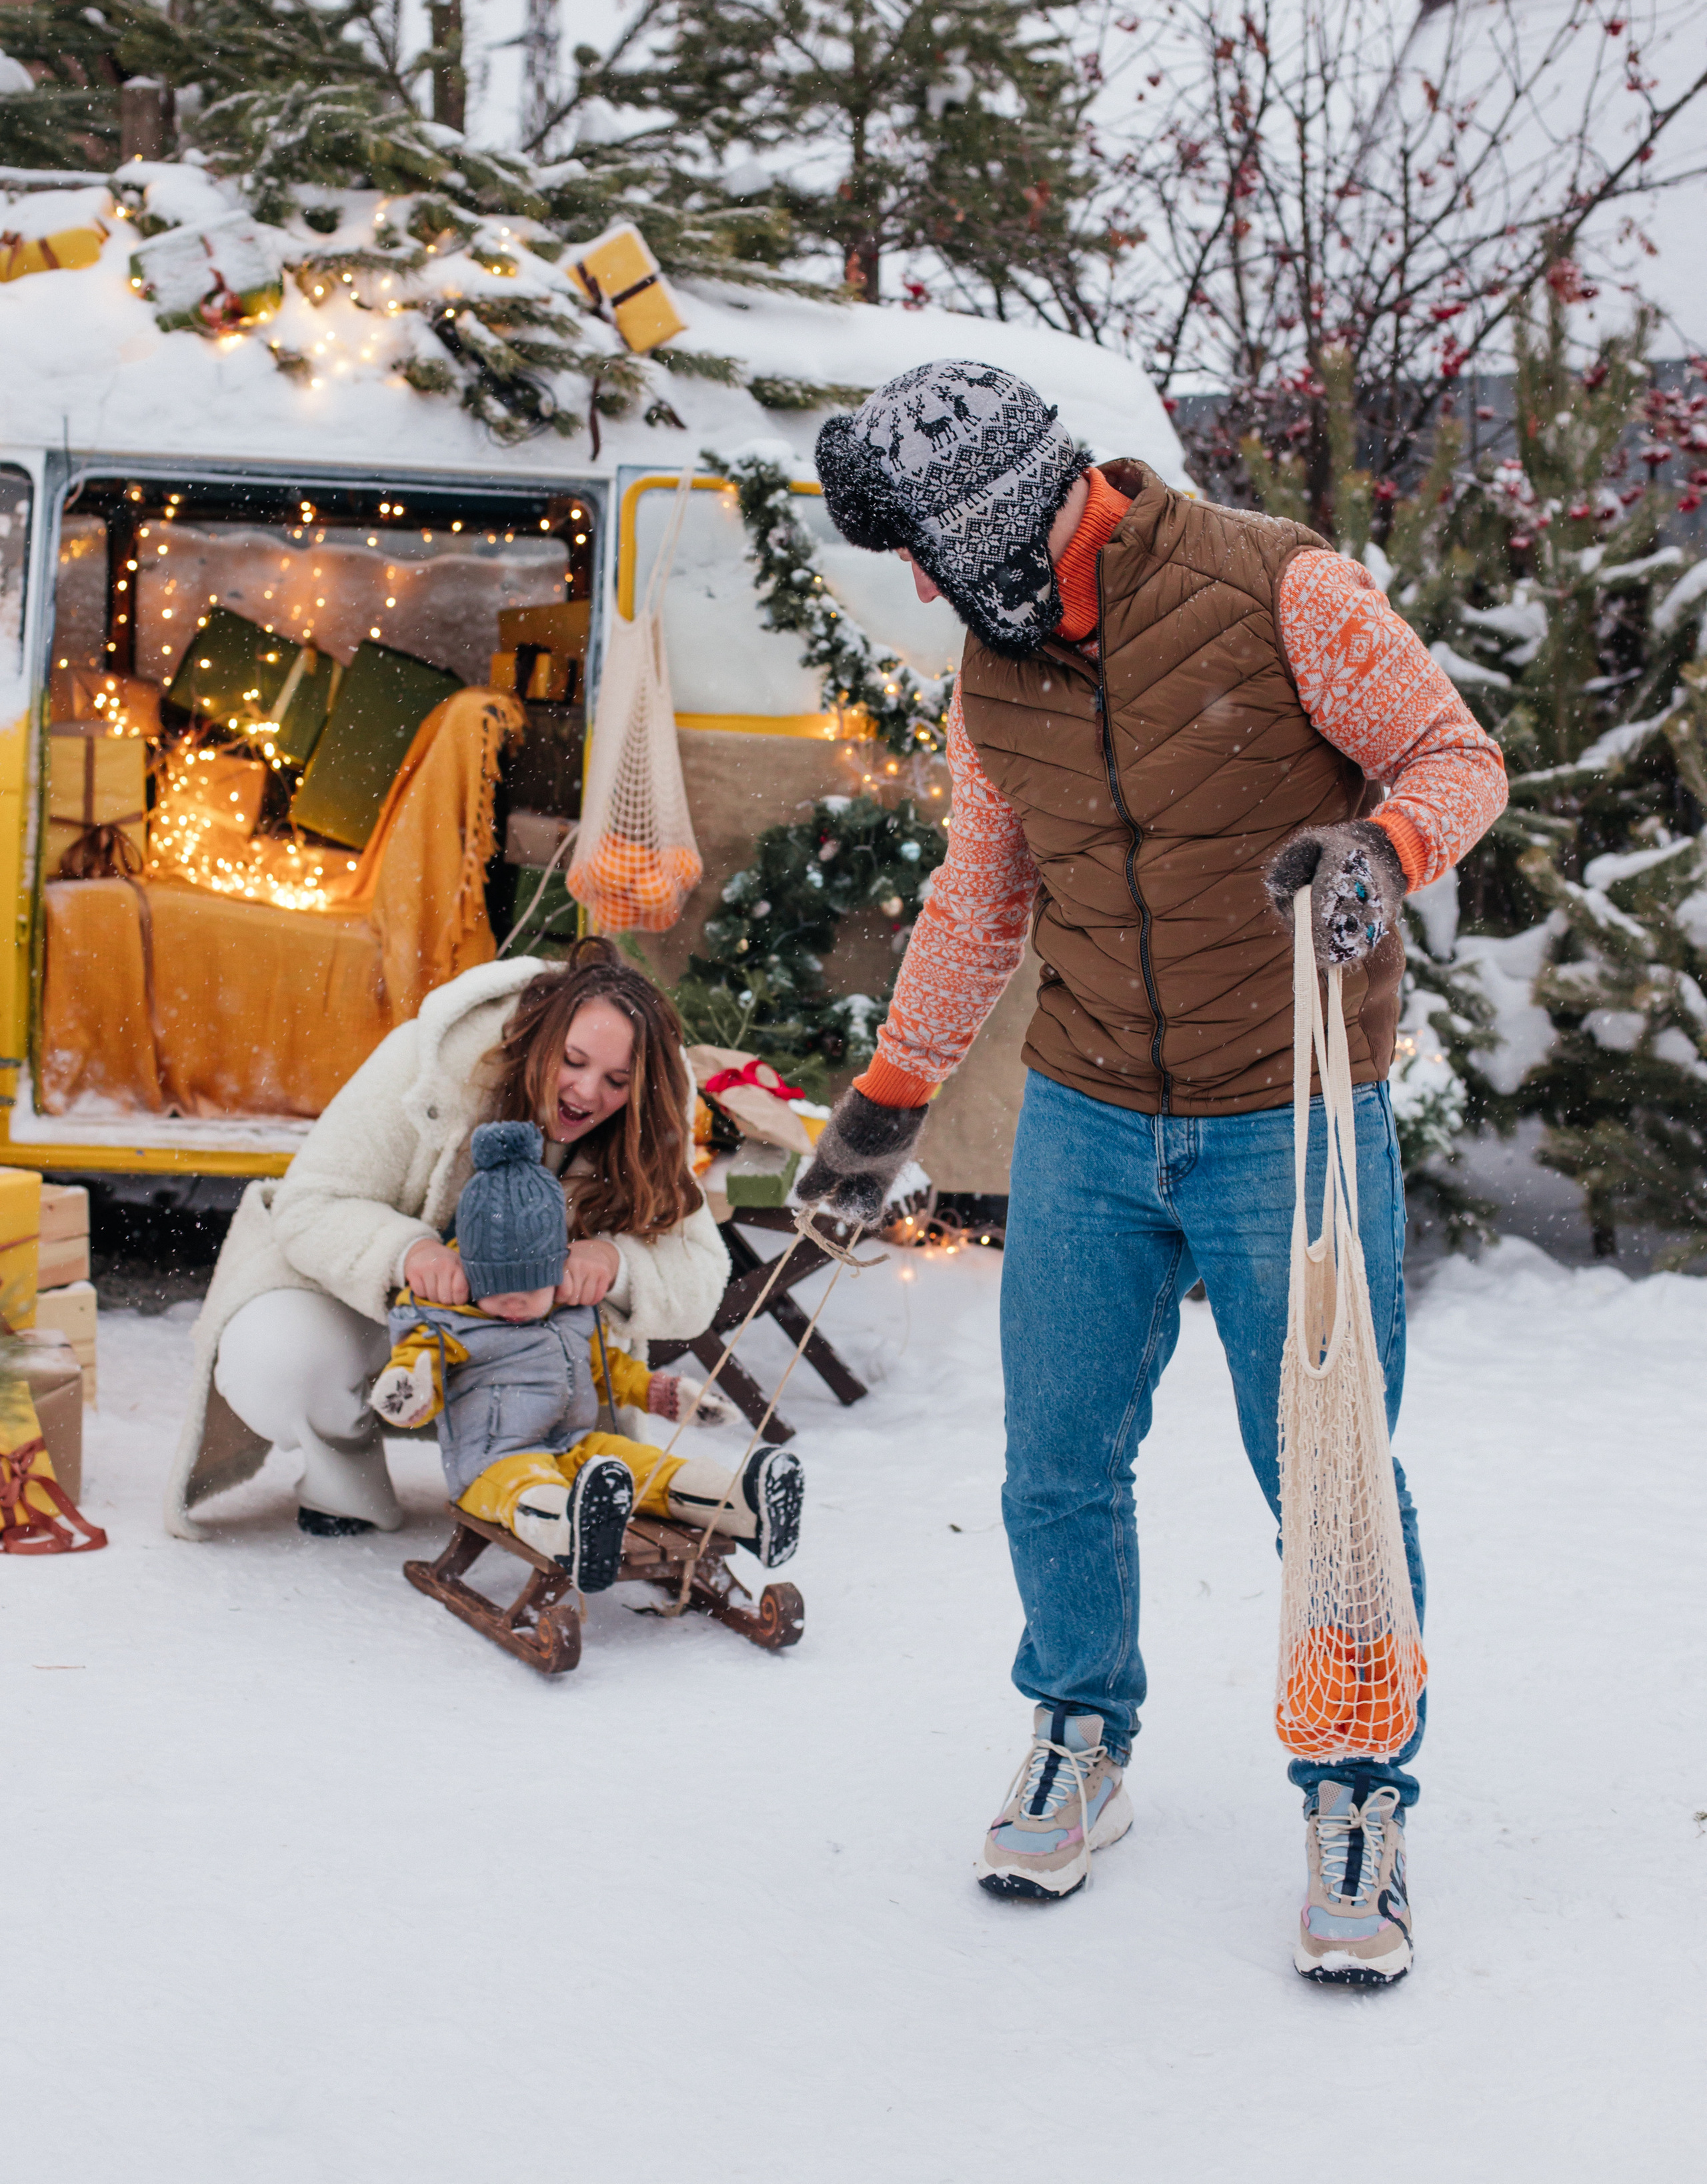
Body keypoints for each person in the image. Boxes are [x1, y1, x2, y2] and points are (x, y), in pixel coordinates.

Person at [793, 361, 1508, 1986]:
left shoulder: (1282, 589)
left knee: (1326, 1477)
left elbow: (1453, 762)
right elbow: (983, 898)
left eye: (922, 550)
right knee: (1052, 1456)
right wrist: (888, 1098)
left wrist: (1373, 856)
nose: (914, 585)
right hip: (1092, 1109)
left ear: (983, 530)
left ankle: (1352, 1791)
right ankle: (1076, 1725)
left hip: (1292, 1111)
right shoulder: (995, 673)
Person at [166, 942, 731, 1544]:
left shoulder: (643, 1131)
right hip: (378, 1318)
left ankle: (543, 1467)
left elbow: (699, 1271)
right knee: (276, 1355)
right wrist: (408, 1252)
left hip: (534, 1365)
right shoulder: (430, 1063)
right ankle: (345, 1480)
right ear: (541, 1037)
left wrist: (618, 1262)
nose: (588, 1093)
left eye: (617, 1081)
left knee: (571, 1430)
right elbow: (312, 1199)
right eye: (572, 1061)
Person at [373, 1117, 804, 1582]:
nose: (515, 1301)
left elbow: (611, 1370)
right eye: (496, 1285)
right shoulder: (447, 1324)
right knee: (530, 1487)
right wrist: (408, 1389)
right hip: (494, 1463)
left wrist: (662, 1392)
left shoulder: (573, 1317)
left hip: (577, 1445)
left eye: (531, 1284)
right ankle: (576, 1534)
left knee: (641, 1465)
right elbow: (419, 1370)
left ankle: (745, 1507)